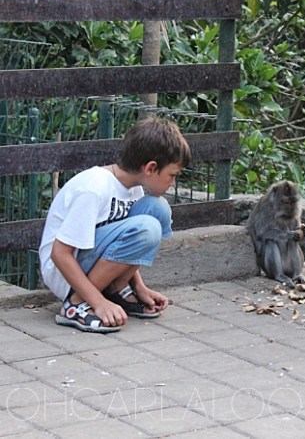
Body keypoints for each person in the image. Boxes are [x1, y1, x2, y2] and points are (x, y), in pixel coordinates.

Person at [39, 116, 192, 333]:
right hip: (64, 271)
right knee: (148, 226)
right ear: (150, 168)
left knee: (157, 210)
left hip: (89, 262)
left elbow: (125, 243)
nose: (173, 182)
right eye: (172, 175)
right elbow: (60, 253)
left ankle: (115, 289)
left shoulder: (134, 188)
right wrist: (97, 303)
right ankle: (76, 303)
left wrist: (139, 287)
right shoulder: (95, 187)